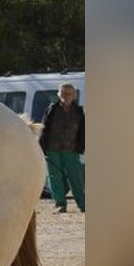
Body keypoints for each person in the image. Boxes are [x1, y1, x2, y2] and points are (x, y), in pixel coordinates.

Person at [40, 83, 85, 213]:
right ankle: (60, 204)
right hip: (52, 149)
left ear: (74, 95)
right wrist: (42, 148)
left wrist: (81, 148)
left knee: (76, 178)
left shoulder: (78, 111)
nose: (66, 96)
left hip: (71, 150)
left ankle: (83, 204)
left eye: (69, 93)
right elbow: (44, 130)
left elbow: (83, 132)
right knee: (55, 178)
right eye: (63, 93)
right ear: (58, 94)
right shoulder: (51, 109)